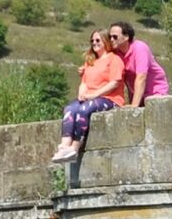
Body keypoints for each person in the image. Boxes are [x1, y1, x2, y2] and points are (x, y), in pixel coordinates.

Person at [51, 30, 126, 163]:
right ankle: (64, 145)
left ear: (105, 41)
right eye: (92, 41)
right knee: (70, 109)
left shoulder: (114, 59)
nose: (94, 43)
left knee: (84, 109)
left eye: (97, 40)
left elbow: (114, 83)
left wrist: (94, 95)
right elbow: (84, 82)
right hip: (90, 97)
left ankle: (75, 148)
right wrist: (81, 93)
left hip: (110, 99)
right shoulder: (90, 61)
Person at [107, 20, 168, 108]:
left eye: (115, 37)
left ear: (126, 37)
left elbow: (141, 77)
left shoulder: (139, 48)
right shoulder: (117, 53)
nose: (111, 39)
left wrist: (134, 105)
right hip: (138, 95)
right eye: (110, 37)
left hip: (155, 93)